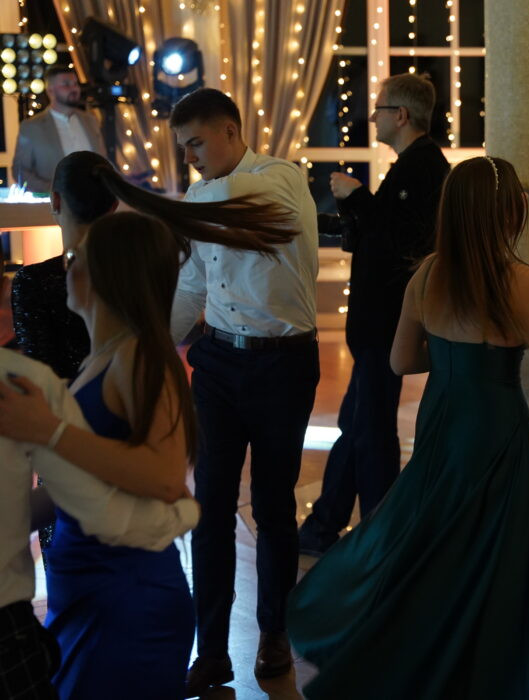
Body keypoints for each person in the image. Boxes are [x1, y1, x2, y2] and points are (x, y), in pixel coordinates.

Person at [287, 157, 529, 699]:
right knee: (501, 553)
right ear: (514, 212)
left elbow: (400, 362)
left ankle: (413, 654)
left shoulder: (427, 275)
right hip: (497, 432)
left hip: (443, 427)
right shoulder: (521, 281)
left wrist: (452, 355)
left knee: (433, 545)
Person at [0, 205, 288, 698]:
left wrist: (49, 430)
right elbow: (92, 479)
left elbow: (163, 477)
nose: (67, 267)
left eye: (76, 258)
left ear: (109, 275)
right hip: (90, 584)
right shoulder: (105, 358)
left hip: (124, 593)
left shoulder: (138, 356)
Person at [166, 88, 320, 694]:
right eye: (184, 148)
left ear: (231, 131)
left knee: (275, 504)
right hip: (218, 365)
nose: (191, 158)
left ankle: (274, 631)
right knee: (211, 508)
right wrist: (152, 352)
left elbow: (232, 198)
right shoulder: (202, 197)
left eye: (197, 143)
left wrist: (169, 205)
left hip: (284, 365)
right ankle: (211, 650)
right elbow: (191, 287)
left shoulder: (280, 179)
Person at [298, 74, 449, 559]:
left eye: (380, 108)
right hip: (380, 324)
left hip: (386, 324)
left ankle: (382, 538)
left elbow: (400, 244)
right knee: (358, 424)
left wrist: (355, 196)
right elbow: (385, 233)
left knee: (373, 431)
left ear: (400, 116)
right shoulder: (415, 164)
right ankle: (324, 526)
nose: (373, 117)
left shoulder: (421, 167)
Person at [0, 348, 198, 700]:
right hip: (34, 608)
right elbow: (113, 512)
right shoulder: (18, 378)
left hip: (107, 592)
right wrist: (185, 511)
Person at [12, 66, 106, 193]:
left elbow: (103, 160)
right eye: (66, 84)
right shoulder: (31, 127)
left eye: (75, 84)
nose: (74, 89)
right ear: (50, 90)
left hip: (96, 198)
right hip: (56, 202)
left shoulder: (90, 120)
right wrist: (54, 190)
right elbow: (20, 171)